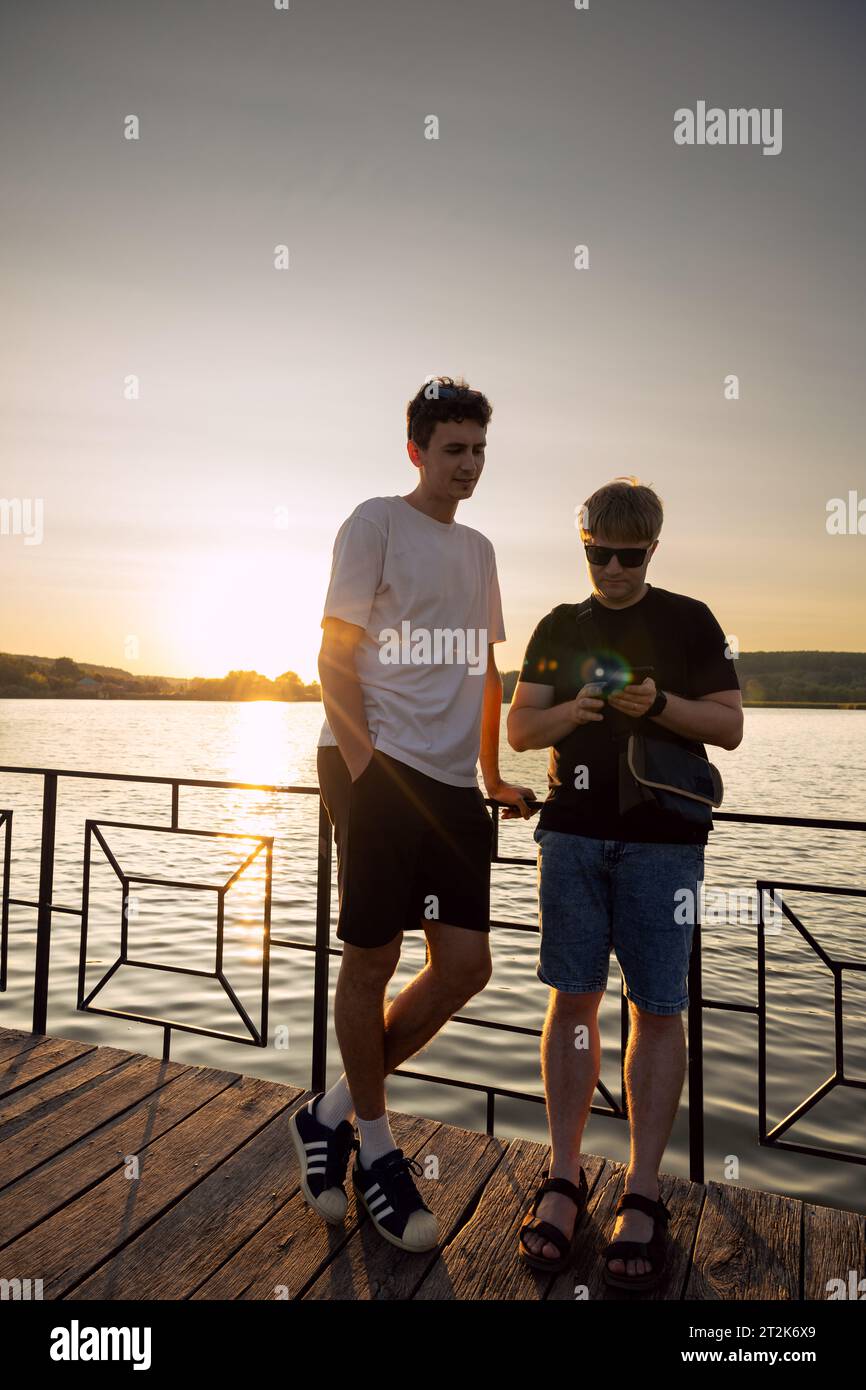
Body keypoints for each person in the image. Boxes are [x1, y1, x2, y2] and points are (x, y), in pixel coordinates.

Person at [290, 376, 534, 1253]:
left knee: (466, 963)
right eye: (453, 450)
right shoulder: (375, 523)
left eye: (478, 451)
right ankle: (380, 1151)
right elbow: (332, 654)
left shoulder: (480, 552)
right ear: (417, 452)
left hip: (450, 784)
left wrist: (494, 777)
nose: (467, 465)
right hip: (375, 765)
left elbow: (485, 673)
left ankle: (329, 1115)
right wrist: (364, 770)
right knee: (375, 957)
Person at [508, 477, 742, 1290]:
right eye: (598, 554)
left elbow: (731, 726)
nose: (612, 568)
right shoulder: (557, 626)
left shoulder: (691, 620)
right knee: (572, 999)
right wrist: (576, 710)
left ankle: (643, 1190)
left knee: (660, 1007)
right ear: (584, 548)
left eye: (628, 555)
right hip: (570, 837)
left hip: (663, 846)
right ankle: (566, 1177)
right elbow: (518, 728)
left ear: (652, 548)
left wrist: (660, 703)